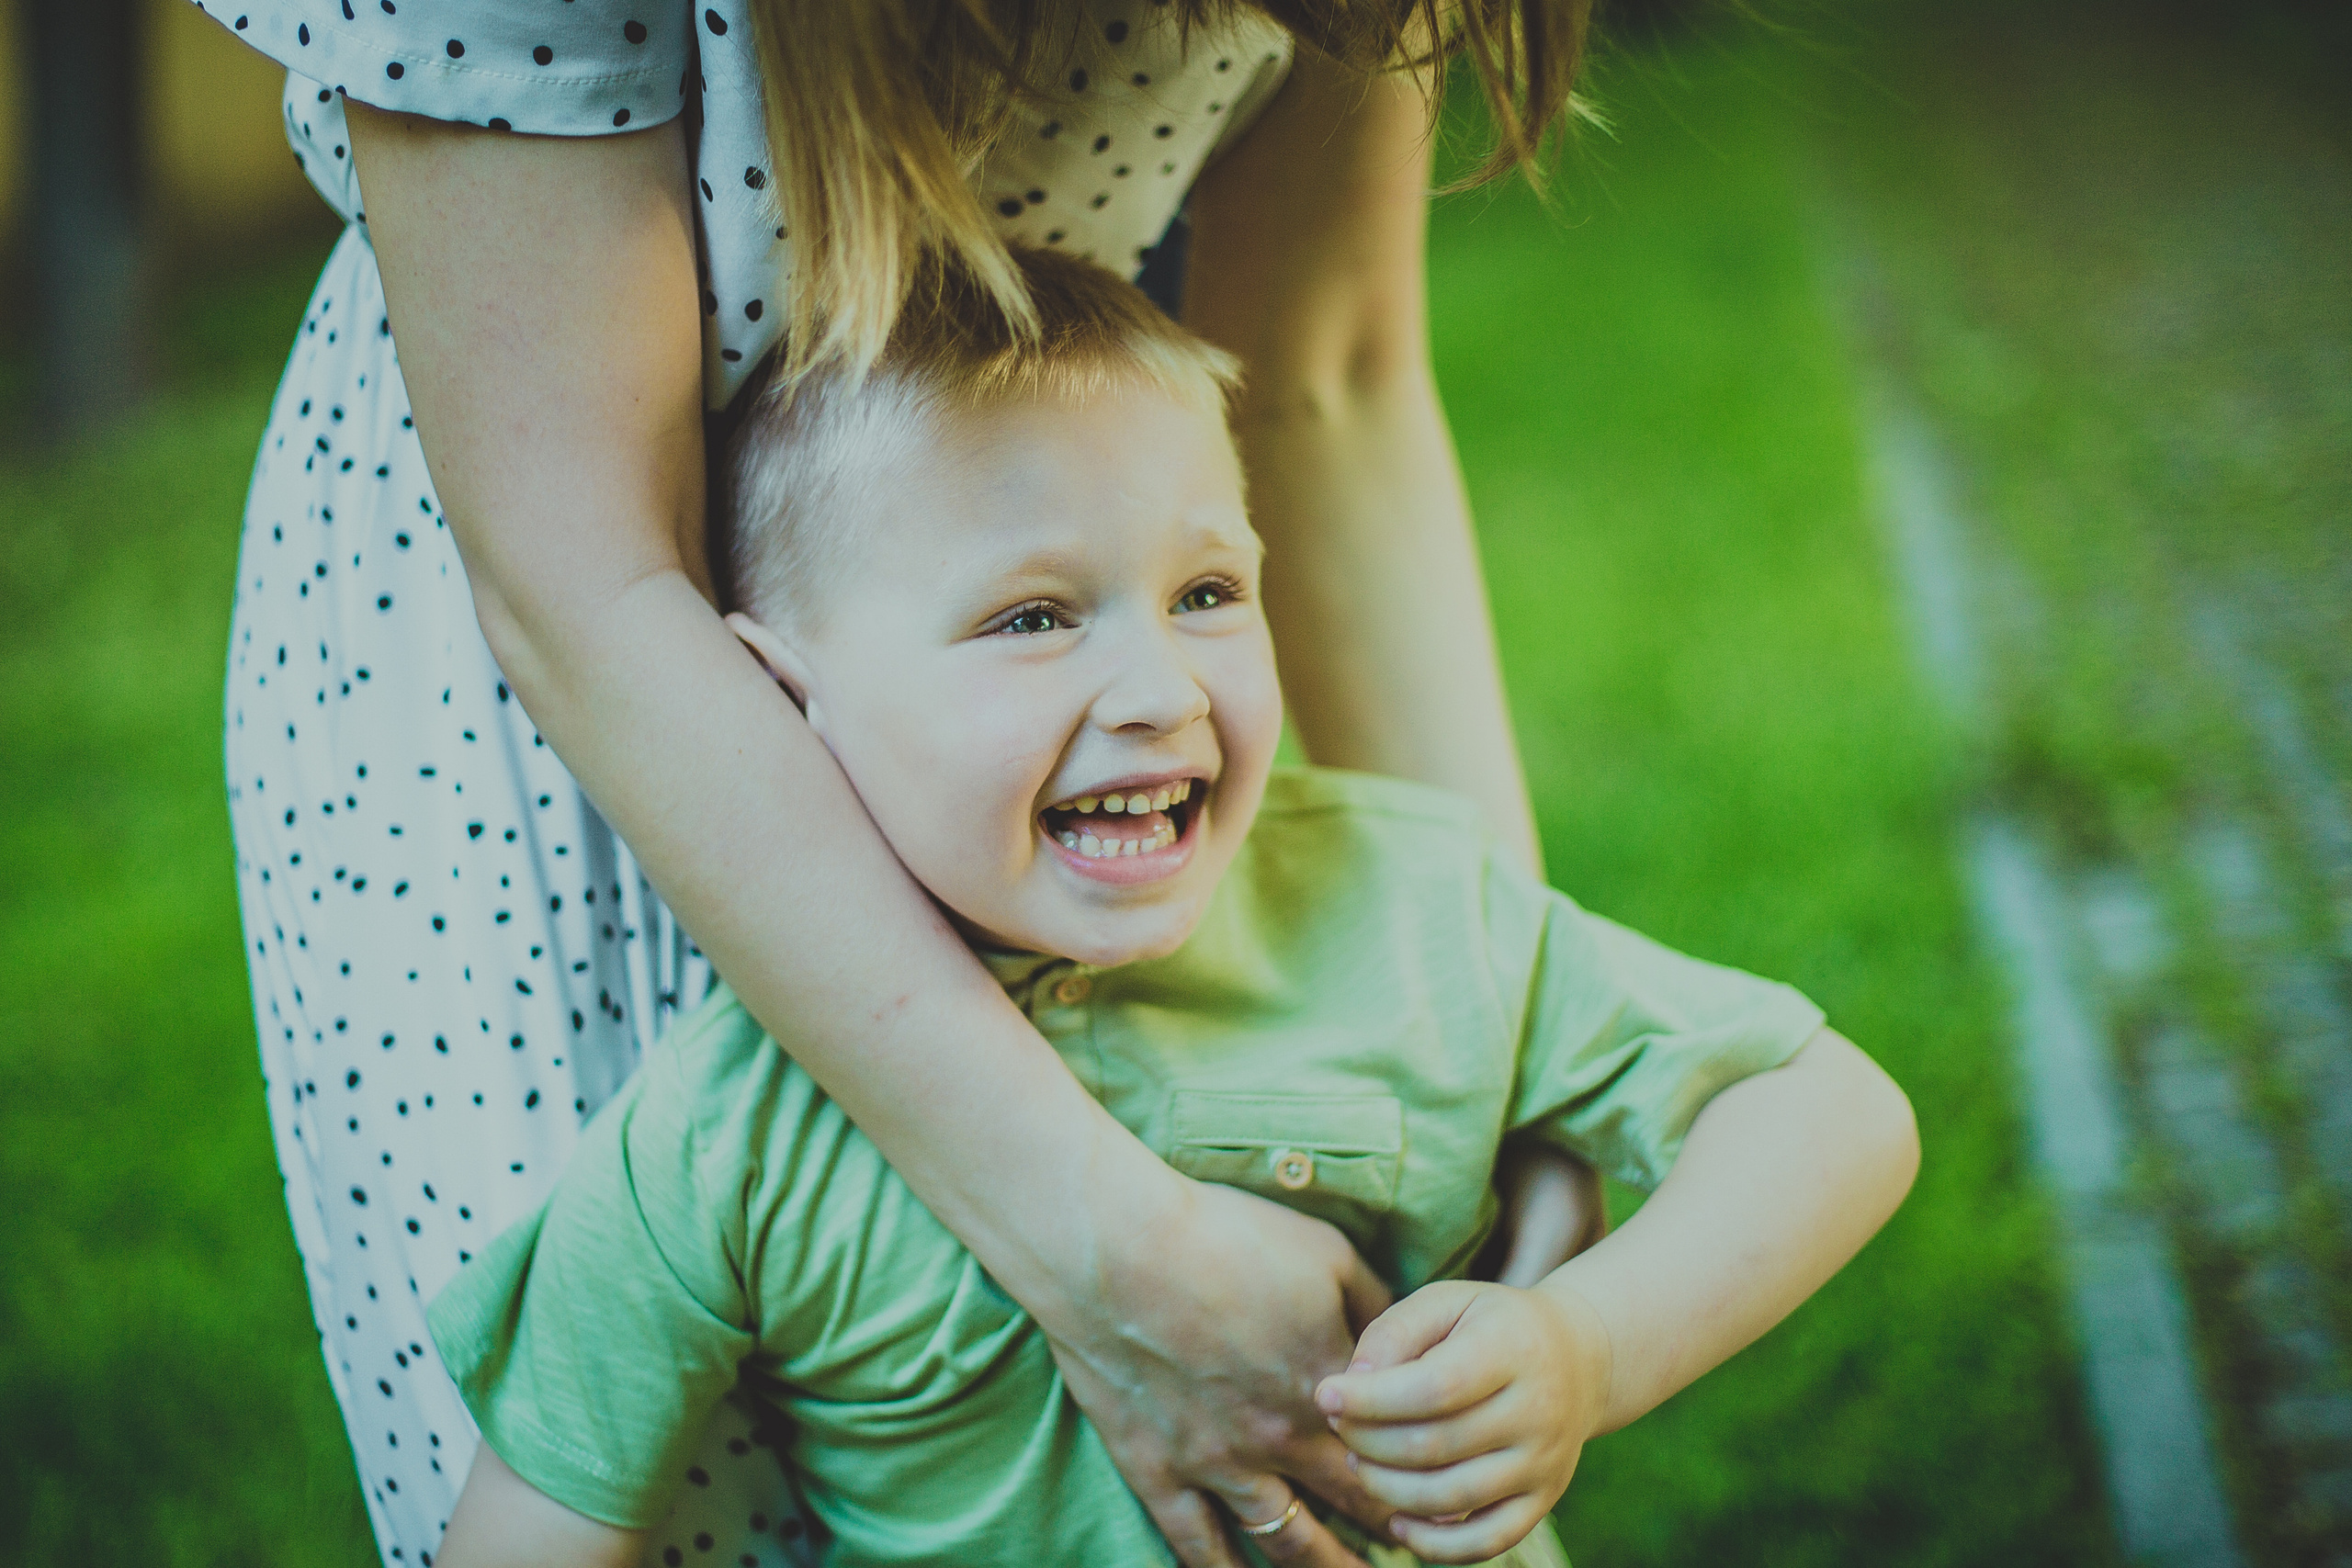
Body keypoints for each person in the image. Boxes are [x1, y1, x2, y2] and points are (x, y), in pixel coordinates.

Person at [209, 2, 1616, 1563]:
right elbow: (580, 572)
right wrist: (1118, 1250)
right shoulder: (699, 1153)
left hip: (1054, 597)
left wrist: (1525, 1056)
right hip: (578, 694)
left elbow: (1329, 373)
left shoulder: (1129, 715)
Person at [419, 249, 1920, 1568]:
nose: (1159, 691)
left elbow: (1832, 1113)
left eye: (1208, 591)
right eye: (1033, 618)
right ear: (777, 700)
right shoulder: (735, 1132)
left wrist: (1585, 1348)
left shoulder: (1399, 910)